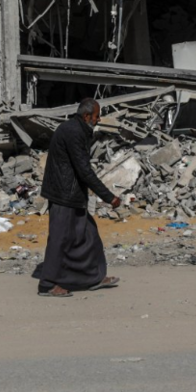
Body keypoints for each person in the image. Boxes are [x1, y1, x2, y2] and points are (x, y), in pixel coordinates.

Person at [32, 98, 121, 297]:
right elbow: (84, 170)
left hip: (72, 194)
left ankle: (94, 277)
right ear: (87, 116)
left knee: (89, 236)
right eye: (96, 116)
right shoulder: (73, 132)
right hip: (64, 195)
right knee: (59, 239)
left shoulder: (76, 129)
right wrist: (109, 197)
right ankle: (47, 284)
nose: (99, 120)